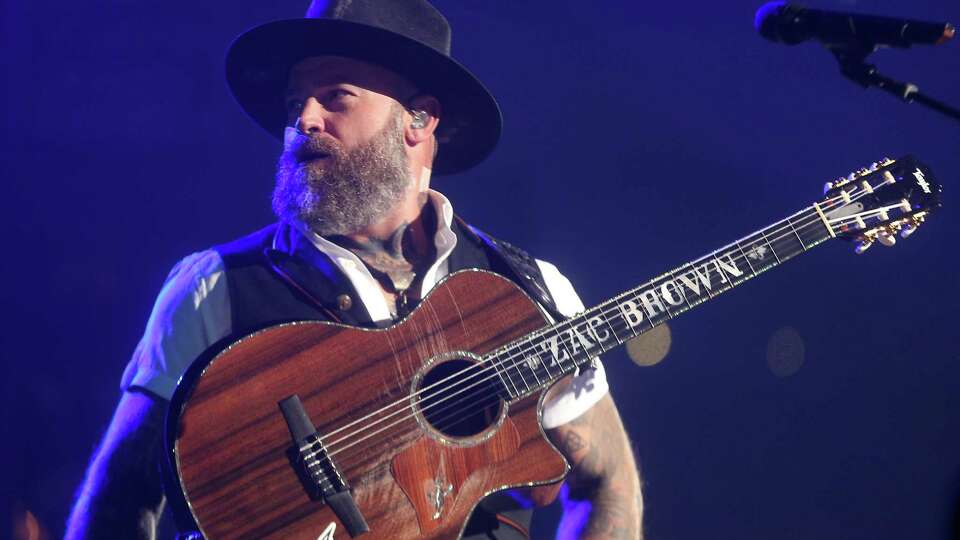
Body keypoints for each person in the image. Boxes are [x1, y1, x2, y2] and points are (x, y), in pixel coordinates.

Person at [66, 1, 642, 538]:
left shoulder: (527, 288)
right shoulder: (213, 287)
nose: (303, 120)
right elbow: (118, 503)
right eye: (295, 103)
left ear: (419, 120)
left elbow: (606, 480)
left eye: (335, 96)